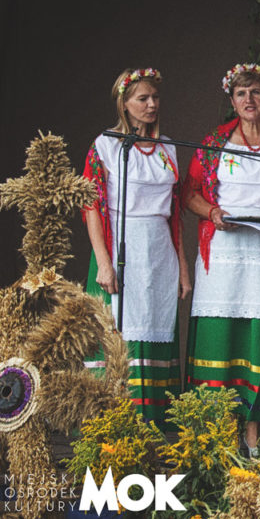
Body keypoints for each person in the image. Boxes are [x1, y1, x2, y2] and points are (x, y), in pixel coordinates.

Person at [184, 63, 260, 456]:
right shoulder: (214, 143)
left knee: (259, 333)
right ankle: (217, 428)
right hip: (223, 255)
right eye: (241, 93)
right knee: (221, 334)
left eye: (256, 92)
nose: (249, 100)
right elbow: (189, 194)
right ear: (232, 101)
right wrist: (213, 213)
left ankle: (254, 430)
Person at [82, 67, 190, 423]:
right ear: (124, 104)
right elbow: (91, 205)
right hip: (120, 246)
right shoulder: (106, 145)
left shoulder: (168, 148)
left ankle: (152, 422)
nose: (151, 104)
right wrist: (103, 262)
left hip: (158, 250)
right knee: (119, 330)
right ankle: (113, 423)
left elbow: (174, 213)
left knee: (153, 329)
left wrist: (183, 268)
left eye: (155, 97)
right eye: (142, 98)